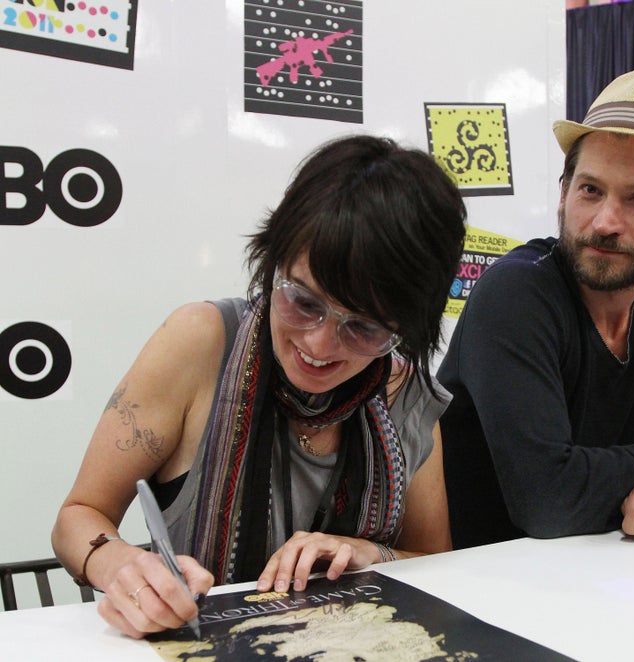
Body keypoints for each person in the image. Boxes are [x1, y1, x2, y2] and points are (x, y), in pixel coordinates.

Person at [52, 134, 467, 639]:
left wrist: (369, 553)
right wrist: (120, 567)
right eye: (302, 300)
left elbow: (435, 564)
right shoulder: (201, 344)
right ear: (272, 263)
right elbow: (79, 515)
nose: (319, 342)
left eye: (364, 328)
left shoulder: (403, 392)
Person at [438, 67, 634, 549]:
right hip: (476, 573)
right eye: (591, 190)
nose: (606, 222)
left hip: (597, 564)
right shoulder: (516, 292)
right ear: (565, 191)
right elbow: (546, 500)